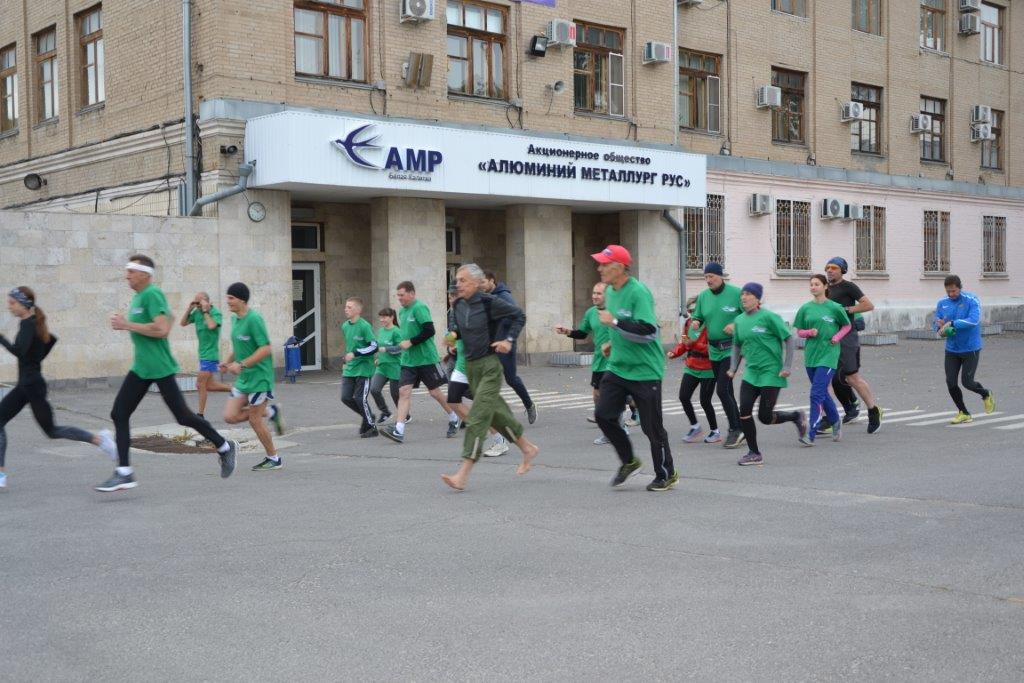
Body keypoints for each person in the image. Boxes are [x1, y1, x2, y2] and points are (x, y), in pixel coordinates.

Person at [99, 255, 238, 492]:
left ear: (145, 274)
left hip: (160, 367)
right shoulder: (139, 298)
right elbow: (173, 320)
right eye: (127, 271)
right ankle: (124, 471)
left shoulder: (152, 294)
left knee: (183, 416)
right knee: (119, 413)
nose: (127, 275)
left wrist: (126, 325)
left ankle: (224, 446)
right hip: (142, 368)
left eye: (131, 271)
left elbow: (162, 329)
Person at [0, 287, 117, 488]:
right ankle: (1, 474)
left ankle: (100, 439)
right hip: (25, 385)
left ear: (23, 304)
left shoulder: (29, 325)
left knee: (52, 431)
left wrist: (2, 339)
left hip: (33, 387)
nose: (9, 306)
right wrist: (35, 360)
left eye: (12, 303)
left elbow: (20, 351)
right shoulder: (30, 323)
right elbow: (49, 341)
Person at [440, 264, 539, 491]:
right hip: (471, 369)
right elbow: (461, 329)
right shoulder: (458, 305)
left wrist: (508, 340)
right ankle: (527, 448)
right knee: (498, 415)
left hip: (490, 367)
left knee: (477, 417)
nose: (458, 284)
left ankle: (462, 474)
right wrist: (453, 336)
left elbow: (519, 316)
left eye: (463, 280)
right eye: (457, 280)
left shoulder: (489, 303)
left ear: (476, 282)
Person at [590, 245, 677, 491]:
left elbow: (649, 332)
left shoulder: (639, 292)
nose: (600, 268)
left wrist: (616, 324)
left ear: (619, 267)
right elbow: (613, 325)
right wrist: (610, 341)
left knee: (652, 428)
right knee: (603, 415)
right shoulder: (610, 291)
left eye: (604, 265)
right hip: (618, 367)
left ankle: (666, 474)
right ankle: (629, 460)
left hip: (644, 371)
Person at [727, 282, 807, 466]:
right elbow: (737, 344)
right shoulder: (739, 320)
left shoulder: (770, 317)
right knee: (744, 412)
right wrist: (733, 368)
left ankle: (795, 416)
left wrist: (787, 366)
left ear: (757, 298)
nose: (743, 297)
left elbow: (788, 339)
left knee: (765, 417)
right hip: (751, 373)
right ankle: (754, 453)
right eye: (742, 294)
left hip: (771, 372)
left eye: (748, 294)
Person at [379, 281, 460, 444]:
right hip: (408, 360)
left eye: (402, 295)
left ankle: (454, 417)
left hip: (426, 358)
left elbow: (430, 330)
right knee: (404, 391)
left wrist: (411, 342)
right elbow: (406, 334)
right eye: (398, 295)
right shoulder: (402, 312)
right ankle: (399, 430)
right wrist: (402, 344)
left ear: (412, 293)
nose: (399, 298)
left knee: (435, 392)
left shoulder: (419, 308)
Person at [555, 282, 632, 446]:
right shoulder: (591, 313)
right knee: (597, 397)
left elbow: (627, 332)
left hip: (615, 361)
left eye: (599, 293)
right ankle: (624, 411)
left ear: (607, 295)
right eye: (594, 293)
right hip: (598, 361)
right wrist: (567, 331)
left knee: (608, 396)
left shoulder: (615, 312)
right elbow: (583, 333)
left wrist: (613, 345)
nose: (595, 296)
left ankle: (615, 429)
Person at [219, 282, 281, 470]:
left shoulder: (254, 319)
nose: (228, 301)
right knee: (230, 416)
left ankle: (274, 458)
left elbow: (266, 348)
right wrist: (228, 361)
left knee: (254, 420)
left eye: (231, 298)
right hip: (244, 379)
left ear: (242, 300)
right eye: (228, 297)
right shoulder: (235, 319)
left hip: (259, 378)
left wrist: (242, 364)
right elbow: (238, 346)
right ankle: (271, 412)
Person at [821, 257, 882, 434]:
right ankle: (828, 419)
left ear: (842, 270)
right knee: (824, 380)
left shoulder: (848, 287)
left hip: (847, 339)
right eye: (827, 267)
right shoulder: (825, 288)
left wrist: (847, 310)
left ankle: (873, 410)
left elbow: (868, 305)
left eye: (833, 268)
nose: (830, 270)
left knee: (852, 378)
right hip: (829, 339)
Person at [690, 262, 744, 449]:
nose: (708, 280)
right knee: (727, 390)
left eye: (711, 276)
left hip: (732, 349)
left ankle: (735, 429)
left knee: (721, 389)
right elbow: (698, 316)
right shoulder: (704, 297)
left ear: (721, 276)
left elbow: (751, 315)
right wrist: (696, 322)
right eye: (706, 277)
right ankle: (740, 426)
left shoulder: (736, 293)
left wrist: (736, 325)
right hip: (714, 350)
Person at [793, 274, 851, 444]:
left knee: (816, 394)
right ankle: (835, 420)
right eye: (811, 284)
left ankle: (810, 433)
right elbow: (799, 331)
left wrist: (837, 337)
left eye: (817, 284)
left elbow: (847, 325)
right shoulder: (805, 308)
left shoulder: (834, 307)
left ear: (825, 287)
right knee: (822, 393)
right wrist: (809, 333)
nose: (813, 287)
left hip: (829, 354)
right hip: (811, 356)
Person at [934, 275, 995, 424]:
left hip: (970, 348)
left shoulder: (971, 300)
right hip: (952, 350)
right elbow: (937, 324)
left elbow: (974, 321)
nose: (951, 294)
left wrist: (953, 324)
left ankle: (986, 394)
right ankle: (964, 412)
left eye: (954, 291)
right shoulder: (942, 303)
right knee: (951, 382)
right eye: (948, 291)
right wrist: (940, 327)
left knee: (967, 382)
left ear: (960, 287)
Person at [482, 271, 537, 425]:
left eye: (483, 282)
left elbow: (517, 317)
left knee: (511, 379)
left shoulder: (504, 297)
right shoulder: (488, 297)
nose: (481, 285)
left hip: (505, 344)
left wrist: (507, 338)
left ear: (492, 281)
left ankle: (529, 405)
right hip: (492, 345)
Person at [666, 296, 720, 444]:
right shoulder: (688, 323)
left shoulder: (711, 325)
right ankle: (695, 426)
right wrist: (674, 352)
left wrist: (694, 344)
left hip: (708, 368)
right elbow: (684, 342)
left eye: (694, 310)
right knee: (683, 396)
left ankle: (715, 431)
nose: (691, 314)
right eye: (689, 311)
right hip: (691, 366)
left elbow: (712, 349)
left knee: (705, 401)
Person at [178, 291, 231, 419]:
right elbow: (183, 323)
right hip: (202, 354)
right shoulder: (196, 313)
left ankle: (200, 415)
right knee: (210, 386)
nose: (197, 305)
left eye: (199, 302)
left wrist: (206, 311)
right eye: (196, 302)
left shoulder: (215, 313)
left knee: (200, 384)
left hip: (211, 355)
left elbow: (212, 326)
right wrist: (189, 309)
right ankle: (236, 390)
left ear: (206, 301)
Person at [340, 297, 379, 438]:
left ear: (358, 310)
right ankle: (368, 416)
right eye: (346, 306)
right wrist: (347, 357)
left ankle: (372, 427)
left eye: (349, 307)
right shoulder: (345, 326)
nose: (346, 309)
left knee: (359, 398)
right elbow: (350, 345)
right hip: (350, 368)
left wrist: (355, 353)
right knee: (345, 397)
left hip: (364, 368)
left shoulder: (364, 326)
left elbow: (374, 346)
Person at [369, 307, 403, 424]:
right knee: (374, 389)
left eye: (384, 317)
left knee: (395, 394)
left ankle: (405, 415)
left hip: (395, 367)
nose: (382, 319)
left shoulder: (397, 331)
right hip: (382, 367)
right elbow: (379, 346)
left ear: (392, 317)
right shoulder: (381, 331)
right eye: (381, 317)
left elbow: (400, 348)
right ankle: (385, 412)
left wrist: (386, 349)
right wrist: (378, 358)